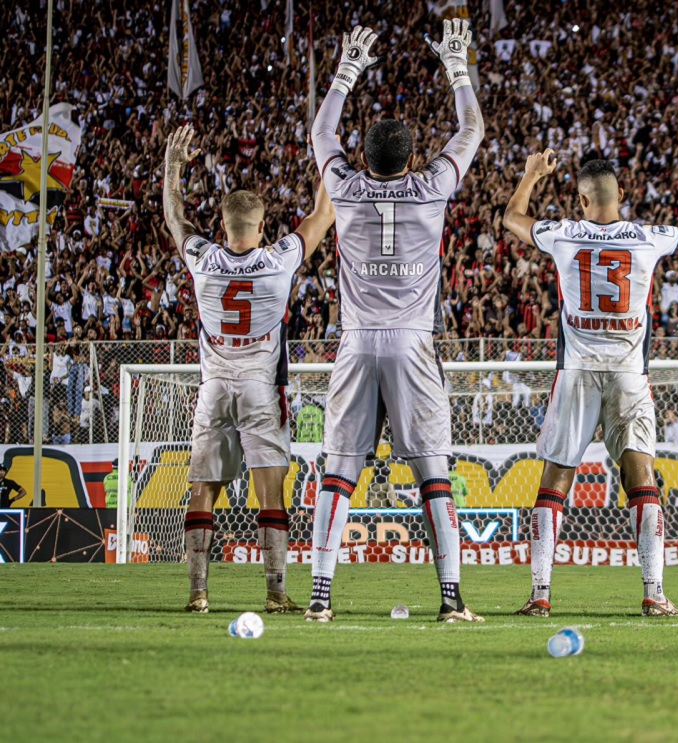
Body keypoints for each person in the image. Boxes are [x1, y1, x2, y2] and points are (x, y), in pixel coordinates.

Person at [502, 139, 678, 617]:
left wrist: (531, 175)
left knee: (555, 480)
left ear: (582, 200)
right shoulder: (649, 237)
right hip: (628, 374)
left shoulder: (562, 234)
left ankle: (540, 595)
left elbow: (510, 219)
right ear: (621, 192)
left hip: (577, 373)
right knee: (640, 476)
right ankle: (655, 594)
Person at [307, 22, 485, 623]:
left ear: (363, 157)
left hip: (356, 343)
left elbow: (321, 131)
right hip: (413, 343)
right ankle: (451, 600)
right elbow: (471, 130)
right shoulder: (434, 186)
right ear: (413, 157)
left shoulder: (346, 188)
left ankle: (320, 599)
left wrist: (347, 69)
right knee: (433, 470)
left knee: (339, 472)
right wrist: (456, 67)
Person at [162, 124, 334, 614]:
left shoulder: (203, 258)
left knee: (202, 488)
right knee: (271, 490)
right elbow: (324, 213)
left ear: (222, 228)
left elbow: (175, 217)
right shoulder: (279, 259)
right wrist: (327, 161)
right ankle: (276, 592)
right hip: (261, 388)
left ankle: (198, 593)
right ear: (262, 227)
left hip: (214, 387)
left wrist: (173, 167)